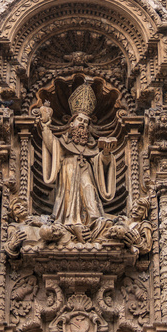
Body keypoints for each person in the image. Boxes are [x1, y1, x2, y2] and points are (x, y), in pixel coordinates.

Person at [39, 81, 118, 242]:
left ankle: (93, 218)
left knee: (89, 188)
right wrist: (46, 124)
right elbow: (51, 144)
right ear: (72, 123)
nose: (83, 123)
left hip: (86, 169)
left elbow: (101, 165)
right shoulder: (64, 142)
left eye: (86, 122)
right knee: (70, 194)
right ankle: (69, 219)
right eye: (80, 120)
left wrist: (106, 154)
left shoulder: (92, 147)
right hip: (68, 170)